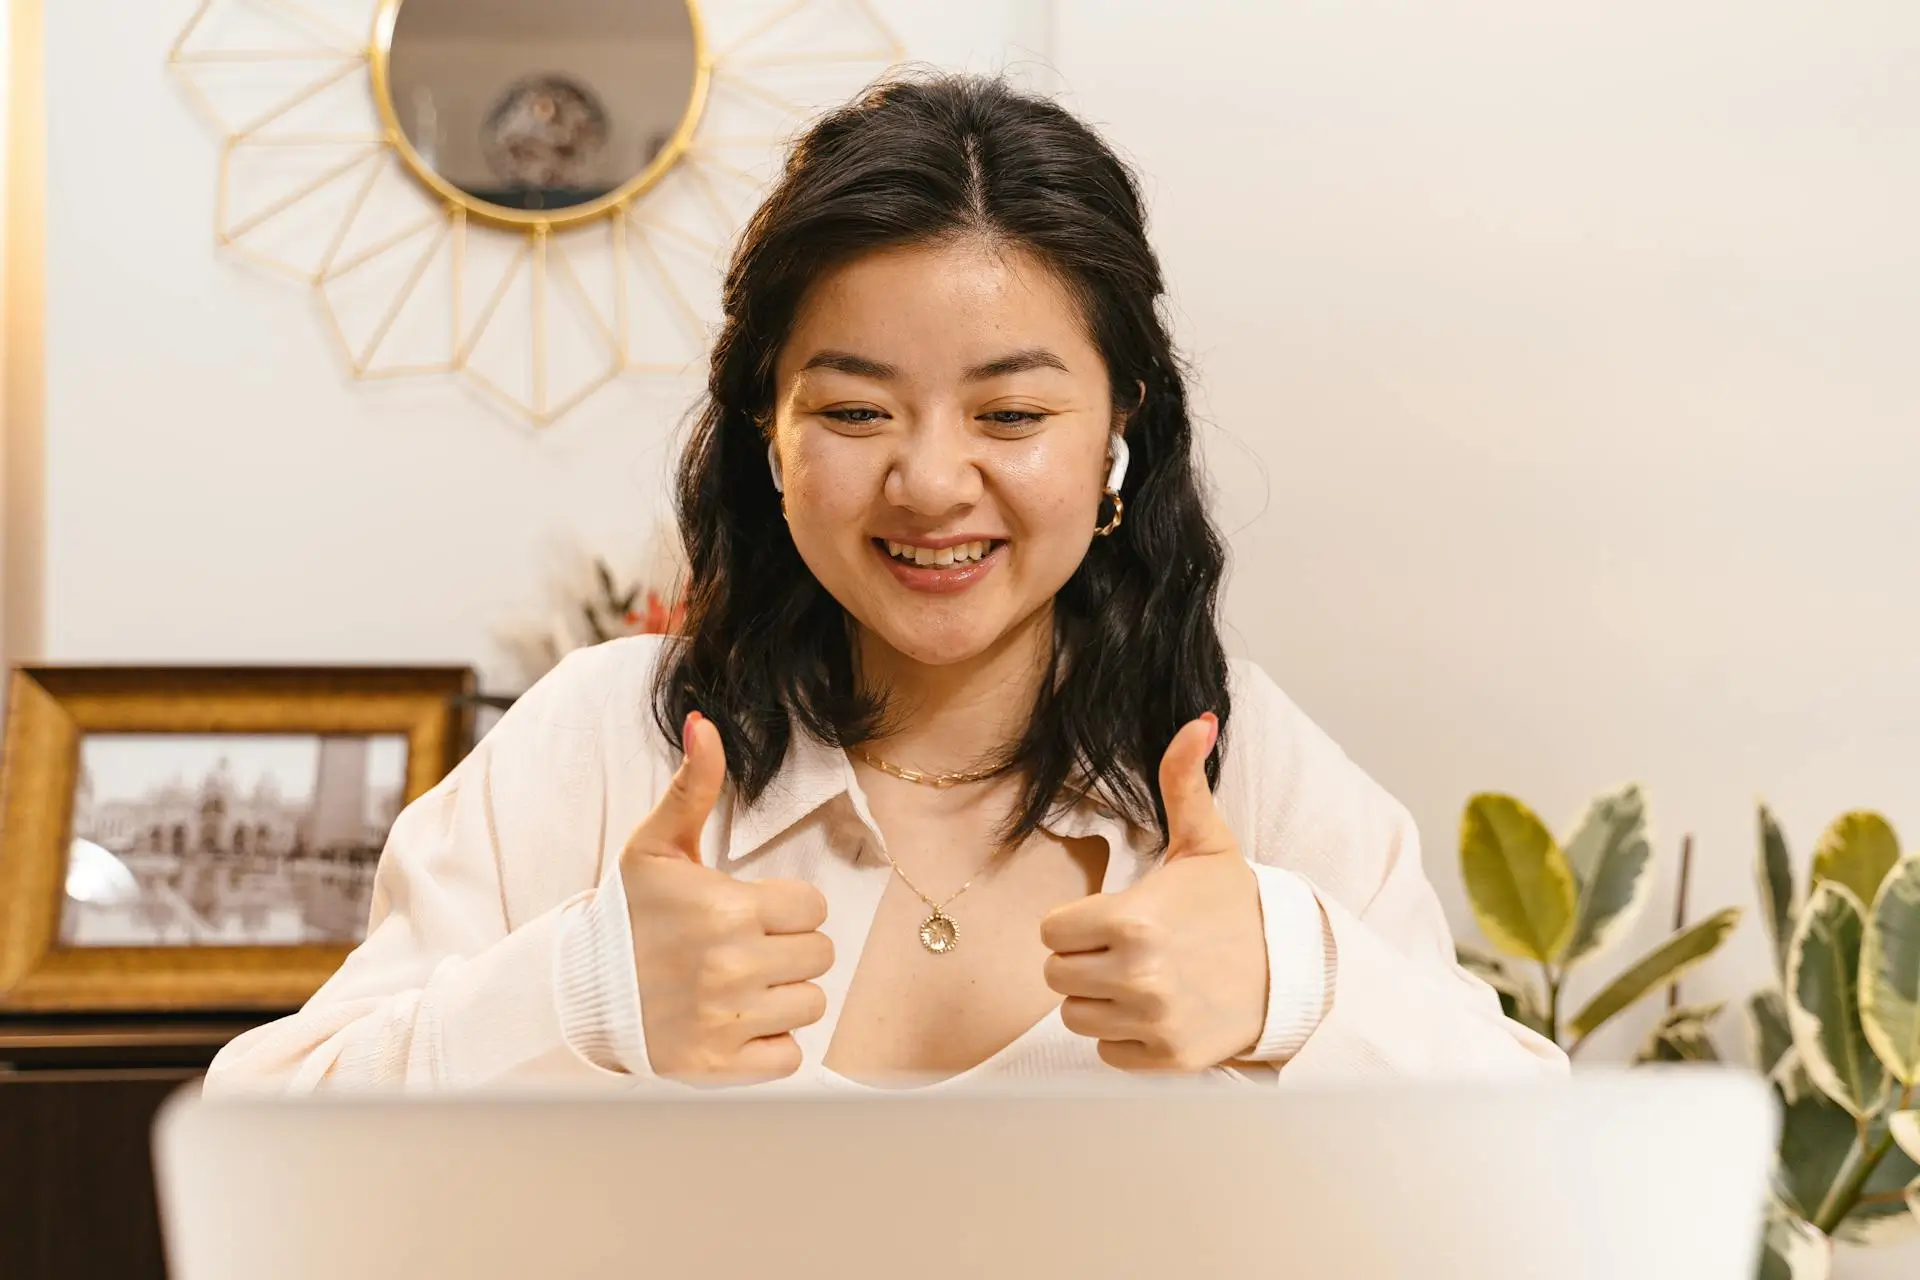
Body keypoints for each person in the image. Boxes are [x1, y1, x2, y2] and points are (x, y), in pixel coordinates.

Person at [206, 72, 1564, 1093]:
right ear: (766, 426)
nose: (928, 482)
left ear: (1121, 427)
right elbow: (263, 1158)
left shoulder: (1236, 760)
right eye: (855, 412)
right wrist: (576, 994)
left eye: (1011, 415)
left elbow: (1537, 1179)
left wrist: (1300, 982)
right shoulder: (603, 738)